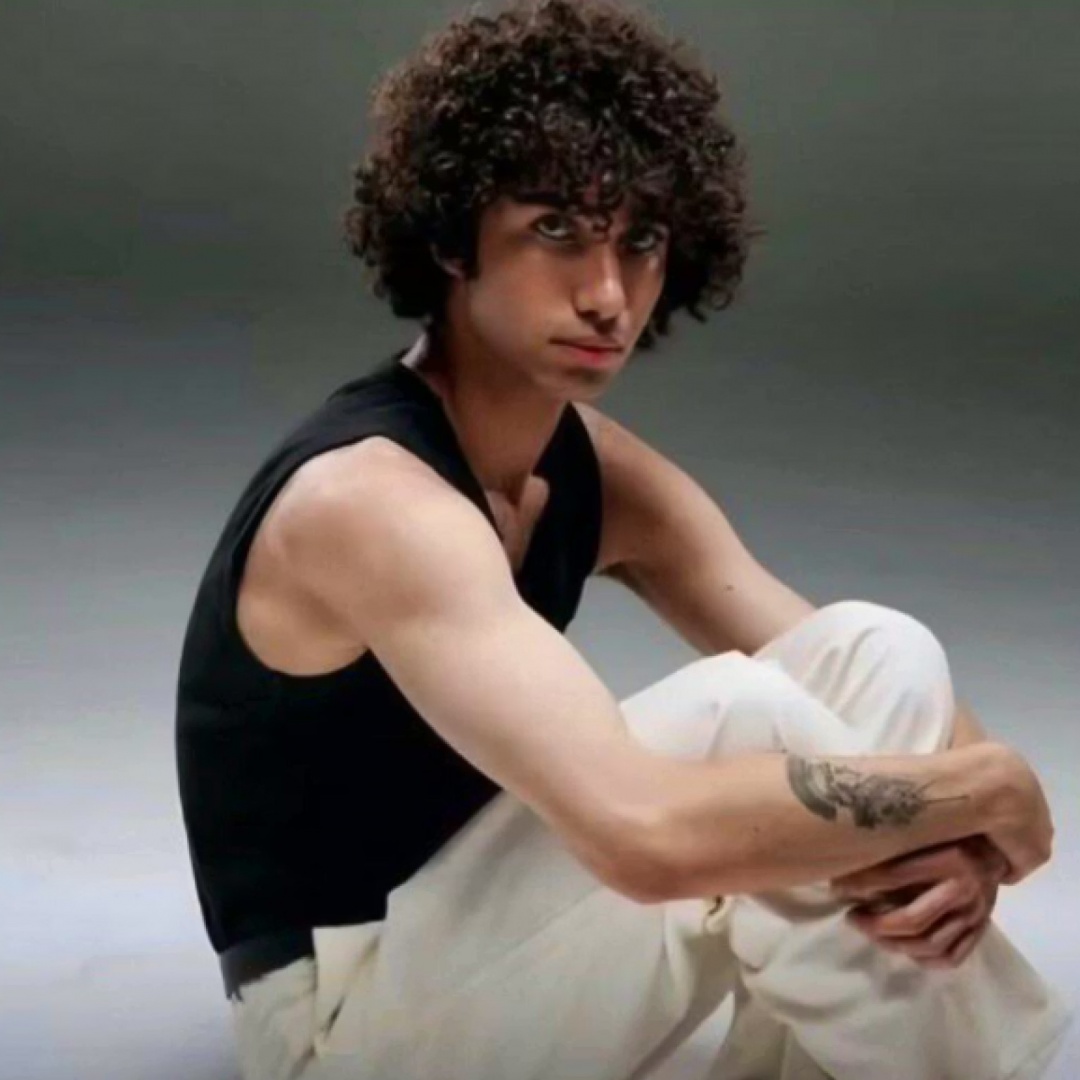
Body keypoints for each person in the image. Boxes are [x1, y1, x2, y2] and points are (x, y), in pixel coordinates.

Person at [173, 1, 1071, 1077]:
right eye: (556, 229)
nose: (609, 295)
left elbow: (895, 706)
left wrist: (963, 833)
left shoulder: (596, 472)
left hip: (496, 939)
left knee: (883, 650)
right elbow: (641, 838)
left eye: (640, 241)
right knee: (738, 718)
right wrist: (980, 799)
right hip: (340, 1021)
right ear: (452, 240)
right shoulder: (371, 501)